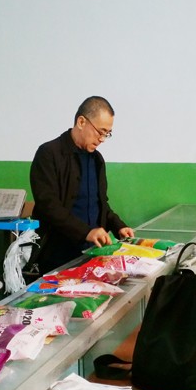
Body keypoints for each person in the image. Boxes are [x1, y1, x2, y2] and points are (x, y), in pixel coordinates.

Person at [30, 96, 134, 273]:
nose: (102, 139)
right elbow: (48, 205)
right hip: (56, 255)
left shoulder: (97, 160)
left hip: (92, 253)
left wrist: (119, 226)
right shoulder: (49, 153)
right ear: (81, 122)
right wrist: (86, 232)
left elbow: (101, 204)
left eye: (107, 134)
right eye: (100, 131)